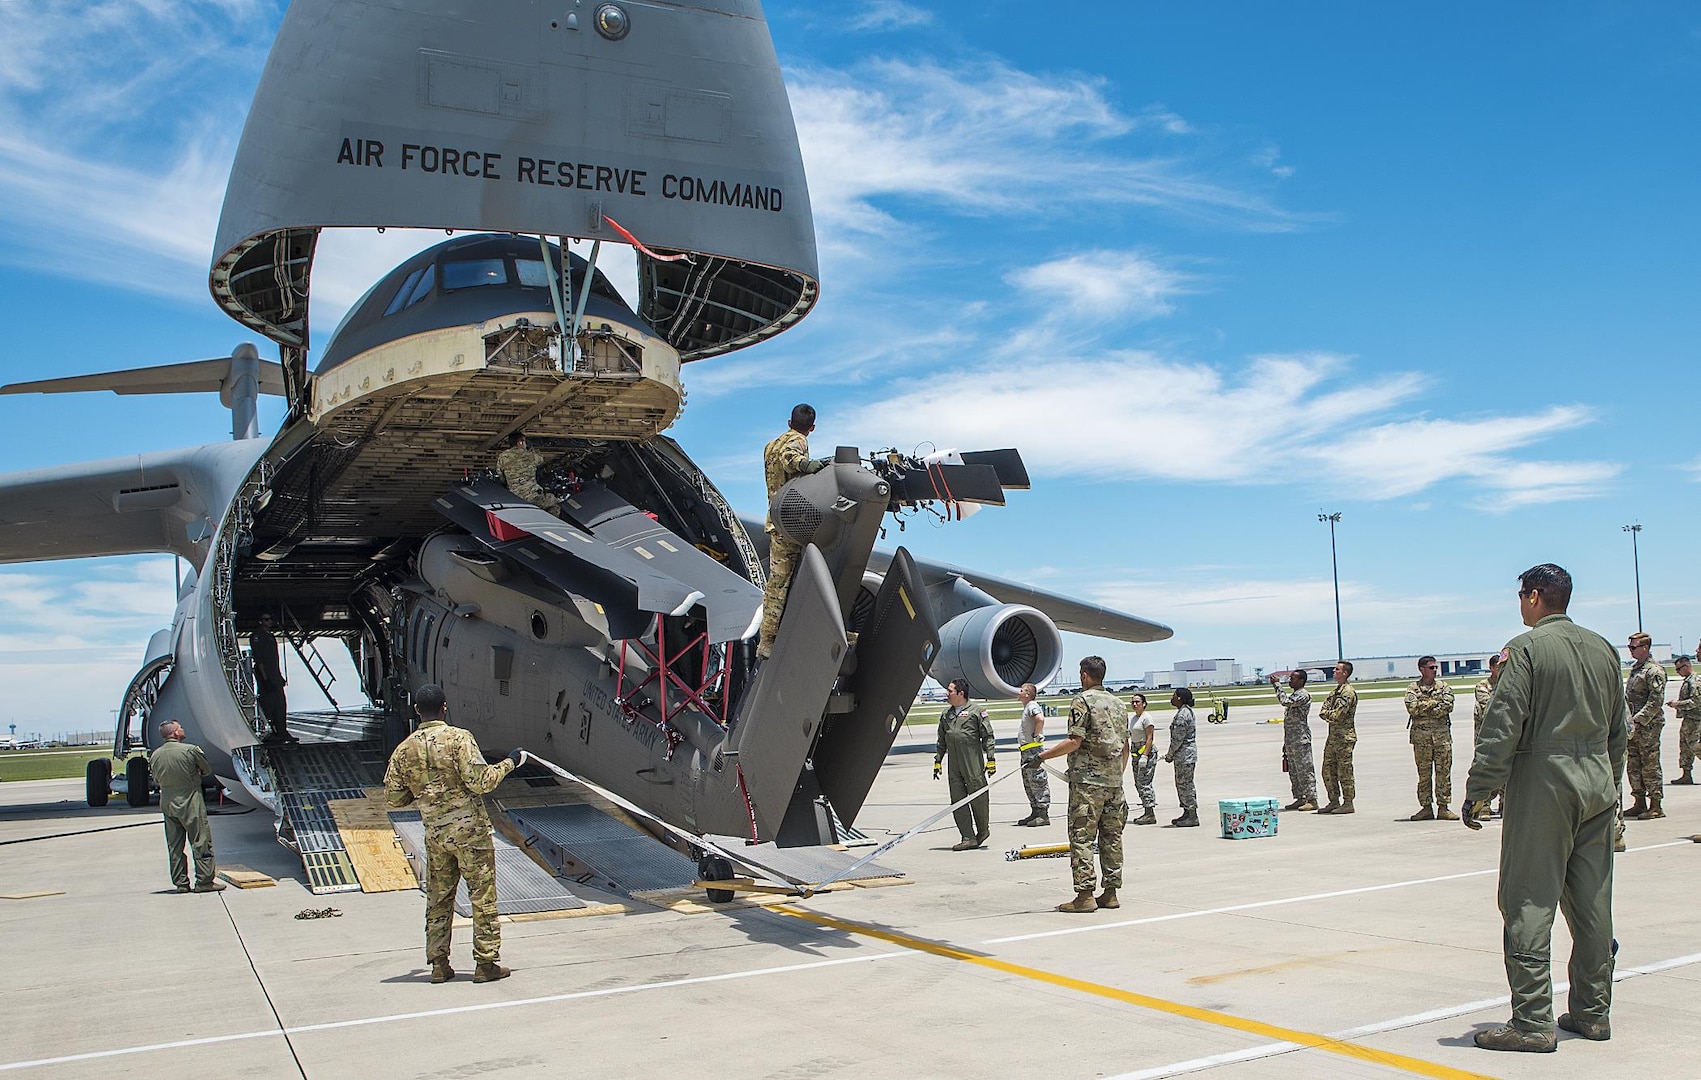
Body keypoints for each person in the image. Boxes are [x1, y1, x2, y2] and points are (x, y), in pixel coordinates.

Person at [1461, 563, 1626, 1053]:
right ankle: (1593, 1012)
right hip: (1597, 783)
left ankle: (1532, 1022)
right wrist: (1610, 785)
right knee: (1593, 904)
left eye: (1521, 596)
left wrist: (1480, 787)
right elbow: (1619, 730)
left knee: (1528, 900)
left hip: (1544, 786)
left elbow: (1503, 723)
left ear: (1534, 597)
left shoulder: (1527, 648)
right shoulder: (1603, 648)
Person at [384, 683, 520, 984]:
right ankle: (485, 964)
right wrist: (511, 762)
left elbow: (393, 799)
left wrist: (423, 794)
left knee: (439, 898)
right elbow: (481, 782)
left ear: (417, 710)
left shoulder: (405, 749)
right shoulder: (459, 739)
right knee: (482, 897)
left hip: (436, 837)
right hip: (471, 834)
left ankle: (438, 964)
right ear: (444, 707)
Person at [1036, 656, 1128, 912]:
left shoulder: (1082, 700)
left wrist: (1041, 756)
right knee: (1112, 837)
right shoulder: (1120, 704)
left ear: (1085, 675)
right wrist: (1116, 775)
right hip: (1114, 785)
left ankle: (1085, 895)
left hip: (1087, 785)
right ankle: (1110, 893)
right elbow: (1125, 747)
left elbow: (1075, 741)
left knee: (1082, 838)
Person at [757, 404, 828, 660]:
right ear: (812, 428)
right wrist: (811, 467)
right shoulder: (797, 442)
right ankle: (770, 639)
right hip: (792, 523)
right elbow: (791, 460)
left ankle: (769, 637)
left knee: (777, 583)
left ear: (789, 421)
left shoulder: (769, 445)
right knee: (787, 582)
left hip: (777, 520)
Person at [149, 721, 223, 893]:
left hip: (167, 802)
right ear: (175, 733)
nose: (183, 729)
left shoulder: (156, 755)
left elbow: (156, 778)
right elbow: (206, 770)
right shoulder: (190, 750)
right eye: (180, 727)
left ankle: (181, 883)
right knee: (200, 841)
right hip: (190, 800)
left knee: (174, 845)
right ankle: (204, 881)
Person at [932, 678, 996, 849]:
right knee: (957, 801)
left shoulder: (977, 712)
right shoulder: (946, 714)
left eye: (950, 690)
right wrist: (938, 761)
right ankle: (967, 837)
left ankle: (983, 831)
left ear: (960, 693)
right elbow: (941, 741)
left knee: (979, 798)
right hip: (954, 764)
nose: (947, 693)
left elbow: (988, 736)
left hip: (972, 763)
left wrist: (991, 759)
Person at [1405, 655, 1458, 820]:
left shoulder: (1444, 687)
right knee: (1424, 774)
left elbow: (1448, 706)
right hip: (1421, 740)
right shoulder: (1413, 688)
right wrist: (1434, 704)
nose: (1435, 670)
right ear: (1422, 669)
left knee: (1444, 773)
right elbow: (1412, 708)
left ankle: (1444, 807)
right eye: (1431, 668)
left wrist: (1425, 706)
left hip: (1442, 738)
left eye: (1436, 667)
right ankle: (1426, 807)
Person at [1623, 631, 1667, 819]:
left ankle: (1656, 805)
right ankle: (1639, 802)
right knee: (1634, 764)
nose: (1631, 651)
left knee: (1649, 765)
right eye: (1629, 647)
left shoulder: (1653, 671)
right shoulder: (1636, 669)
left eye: (1634, 647)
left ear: (1645, 648)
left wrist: (1638, 719)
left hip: (1648, 726)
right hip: (1634, 726)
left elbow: (1656, 701)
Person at [1271, 670, 1317, 812]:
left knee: (1305, 770)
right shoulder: (1295, 694)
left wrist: (1277, 685)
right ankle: (1300, 798)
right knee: (1294, 771)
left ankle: (1312, 799)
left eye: (1293, 678)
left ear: (1301, 681)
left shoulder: (1303, 695)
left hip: (1301, 739)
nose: (1290, 680)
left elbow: (1285, 701)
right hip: (1292, 739)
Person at [1317, 660, 1358, 815]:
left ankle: (1348, 803)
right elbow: (1323, 711)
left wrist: (1329, 714)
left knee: (1344, 771)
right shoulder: (1335, 692)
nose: (1334, 671)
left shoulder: (1347, 693)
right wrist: (1329, 714)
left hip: (1344, 738)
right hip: (1333, 738)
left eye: (1337, 669)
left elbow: (1337, 715)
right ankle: (1333, 801)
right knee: (1327, 770)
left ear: (1345, 673)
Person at [1472, 654, 1507, 814]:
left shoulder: (1508, 684)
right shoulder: (1483, 686)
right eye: (1499, 667)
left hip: (1505, 734)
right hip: (1486, 736)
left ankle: (1504, 806)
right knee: (1487, 769)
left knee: (1507, 771)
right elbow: (1489, 709)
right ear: (1491, 668)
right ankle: (1484, 807)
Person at [250, 613, 293, 743]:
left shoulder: (270, 636)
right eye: (266, 620)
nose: (269, 622)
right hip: (266, 677)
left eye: (270, 619)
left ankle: (281, 731)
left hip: (274, 675)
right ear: (260, 621)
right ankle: (267, 733)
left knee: (280, 704)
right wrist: (265, 678)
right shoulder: (257, 637)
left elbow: (274, 660)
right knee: (267, 705)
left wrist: (278, 676)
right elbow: (259, 660)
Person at [495, 432, 560, 515]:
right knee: (554, 502)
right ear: (520, 442)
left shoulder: (503, 456)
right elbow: (541, 460)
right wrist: (532, 448)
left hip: (514, 498)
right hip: (532, 497)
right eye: (524, 441)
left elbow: (501, 477)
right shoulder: (530, 455)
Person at [1015, 683, 1050, 826]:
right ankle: (1035, 811)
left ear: (1028, 694)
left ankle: (1043, 814)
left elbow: (1040, 719)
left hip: (1032, 750)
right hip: (1025, 750)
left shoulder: (1032, 706)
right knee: (1029, 782)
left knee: (1037, 781)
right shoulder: (1027, 707)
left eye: (1022, 690)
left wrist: (1037, 734)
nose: (1019, 692)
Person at [1164, 687, 1199, 827]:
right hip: (1185, 756)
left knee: (1185, 785)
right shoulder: (1185, 712)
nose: (1171, 698)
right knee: (1182, 784)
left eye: (1173, 695)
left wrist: (1169, 754)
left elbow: (1177, 739)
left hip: (1184, 756)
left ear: (1179, 698)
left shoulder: (1183, 715)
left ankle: (1192, 815)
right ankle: (1186, 812)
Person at [1667, 654, 1700, 785]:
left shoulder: (1695, 681)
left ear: (1686, 666)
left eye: (1679, 669)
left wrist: (1677, 704)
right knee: (1685, 748)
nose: (1678, 672)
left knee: (1695, 746)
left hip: (1695, 720)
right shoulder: (1688, 680)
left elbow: (1695, 701)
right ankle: (1686, 775)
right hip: (1688, 719)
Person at [1128, 693, 1159, 825]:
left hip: (1145, 753)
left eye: (1137, 702)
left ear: (1144, 704)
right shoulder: (1134, 718)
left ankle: (1150, 813)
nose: (1135, 704)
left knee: (1144, 782)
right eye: (1133, 702)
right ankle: (1147, 811)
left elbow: (1150, 738)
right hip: (1136, 753)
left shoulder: (1147, 719)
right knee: (1138, 783)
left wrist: (1145, 755)